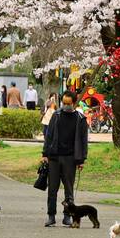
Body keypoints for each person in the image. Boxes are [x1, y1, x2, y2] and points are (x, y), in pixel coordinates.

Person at [40, 91, 89, 227]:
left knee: (69, 189)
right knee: (52, 189)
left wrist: (81, 160)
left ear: (74, 103)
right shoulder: (56, 115)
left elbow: (83, 141)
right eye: (64, 103)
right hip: (54, 156)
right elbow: (48, 136)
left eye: (69, 103)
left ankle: (67, 215)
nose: (66, 106)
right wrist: (45, 154)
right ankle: (51, 215)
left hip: (70, 158)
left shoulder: (80, 118)